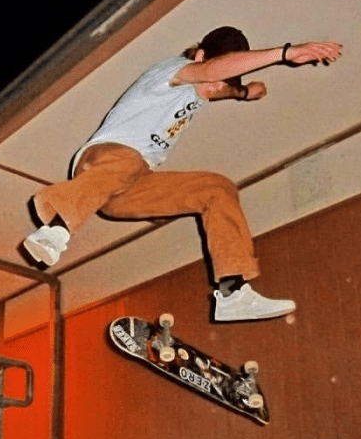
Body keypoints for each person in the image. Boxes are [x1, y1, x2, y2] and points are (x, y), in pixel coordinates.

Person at [22, 26, 343, 322]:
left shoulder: (207, 88)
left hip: (124, 188)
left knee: (217, 188)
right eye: (215, 79)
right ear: (200, 56)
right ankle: (56, 229)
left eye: (222, 85)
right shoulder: (172, 71)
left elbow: (220, 85)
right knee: (129, 162)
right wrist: (286, 53)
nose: (214, 88)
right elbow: (212, 73)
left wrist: (244, 92)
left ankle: (232, 292)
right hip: (103, 159)